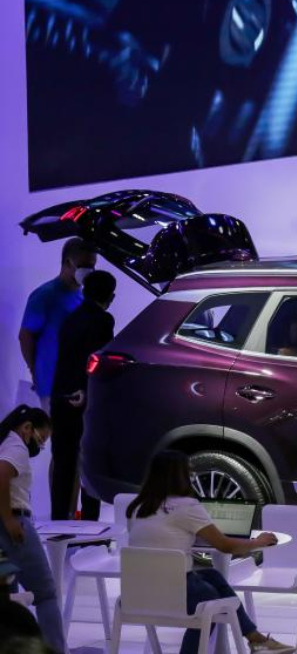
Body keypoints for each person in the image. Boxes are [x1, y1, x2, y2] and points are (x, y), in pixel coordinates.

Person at [126, 450, 296, 654]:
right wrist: (256, 542)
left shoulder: (138, 507)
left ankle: (256, 640)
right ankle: (256, 641)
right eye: (190, 472)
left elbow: (156, 539)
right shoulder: (187, 506)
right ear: (179, 476)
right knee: (214, 601)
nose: (192, 477)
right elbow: (225, 546)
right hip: (176, 593)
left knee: (213, 576)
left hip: (137, 593)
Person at [49, 270, 116, 521]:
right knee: (88, 464)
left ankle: (59, 521)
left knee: (63, 463)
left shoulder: (69, 320)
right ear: (111, 296)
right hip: (86, 399)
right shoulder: (103, 320)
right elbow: (98, 361)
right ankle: (90, 526)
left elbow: (67, 360)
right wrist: (86, 390)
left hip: (60, 395)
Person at [0, 406, 63, 654]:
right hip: (14, 525)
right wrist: (9, 520)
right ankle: (56, 650)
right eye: (41, 439)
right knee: (45, 593)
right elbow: (1, 476)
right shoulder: (16, 447)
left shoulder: (4, 442)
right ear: (27, 428)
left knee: (7, 595)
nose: (40, 445)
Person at [19, 238, 98, 411]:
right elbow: (25, 336)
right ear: (68, 262)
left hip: (77, 384)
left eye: (92, 266)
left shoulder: (84, 298)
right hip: (51, 384)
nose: (89, 271)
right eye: (84, 264)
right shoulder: (44, 296)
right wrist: (34, 370)